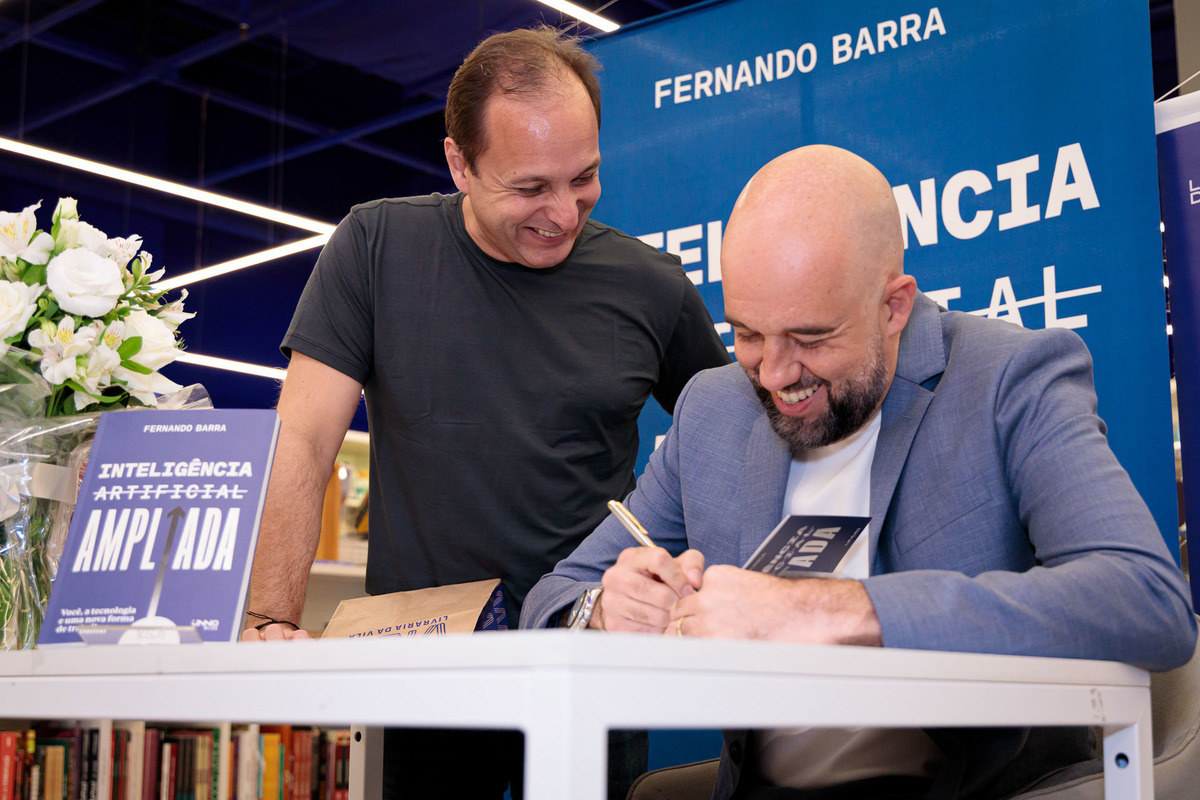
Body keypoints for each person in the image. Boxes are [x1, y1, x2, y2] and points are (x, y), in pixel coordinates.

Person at [521, 144, 1197, 800]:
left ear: (893, 306)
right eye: (748, 335)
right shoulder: (713, 410)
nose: (775, 375)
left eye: (811, 339)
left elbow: (1145, 598)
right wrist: (605, 610)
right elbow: (553, 597)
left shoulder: (1007, 379)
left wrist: (828, 610)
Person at [240, 24, 730, 800]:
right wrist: (270, 617)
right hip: (418, 671)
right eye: (530, 188)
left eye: (584, 177)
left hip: (586, 665)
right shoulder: (376, 246)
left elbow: (732, 443)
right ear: (460, 163)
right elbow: (302, 438)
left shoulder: (652, 286)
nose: (562, 212)